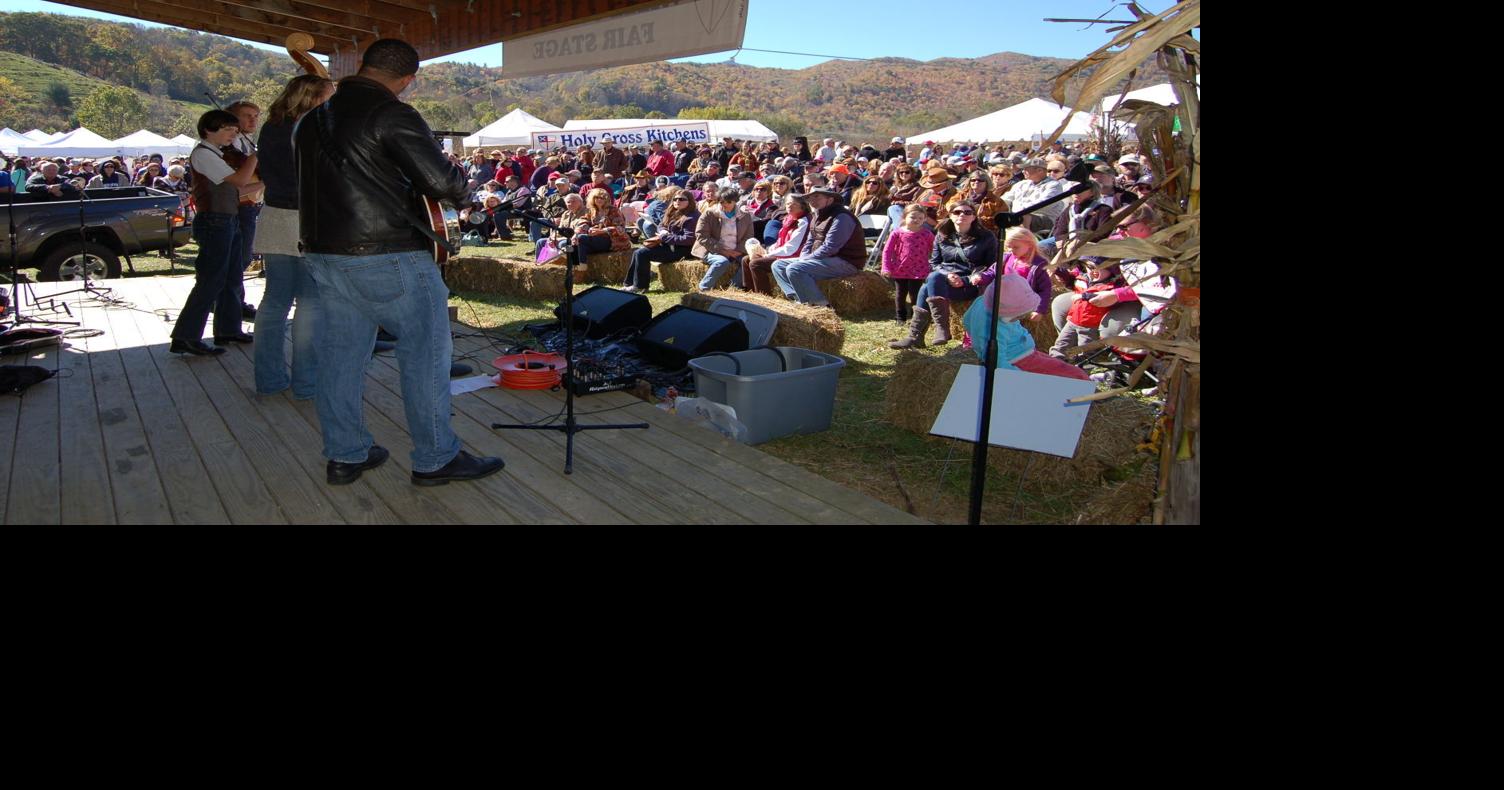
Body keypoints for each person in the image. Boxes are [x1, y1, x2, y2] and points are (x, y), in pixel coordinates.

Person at [295, 38, 504, 486]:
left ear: (365, 66)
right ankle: (436, 458)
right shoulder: (392, 113)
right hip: (386, 253)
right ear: (408, 80)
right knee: (426, 355)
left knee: (341, 358)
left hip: (323, 252)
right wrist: (465, 190)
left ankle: (345, 454)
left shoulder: (310, 121)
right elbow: (440, 180)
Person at [252, 73, 334, 401]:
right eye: (328, 96)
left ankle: (269, 379)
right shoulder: (314, 130)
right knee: (311, 302)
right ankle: (307, 382)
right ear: (313, 98)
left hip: (274, 217)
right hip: (307, 219)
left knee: (274, 300)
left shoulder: (271, 127)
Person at [169, 109, 259, 357]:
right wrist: (255, 157)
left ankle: (228, 328)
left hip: (228, 219)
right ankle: (185, 336)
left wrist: (267, 180)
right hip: (214, 222)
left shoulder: (217, 154)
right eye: (227, 130)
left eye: (234, 130)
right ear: (209, 130)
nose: (233, 135)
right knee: (210, 280)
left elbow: (239, 191)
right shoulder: (204, 154)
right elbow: (239, 181)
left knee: (231, 276)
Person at [889, 199, 997, 349]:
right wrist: (948, 275)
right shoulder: (942, 234)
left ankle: (920, 335)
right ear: (950, 216)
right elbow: (934, 263)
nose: (962, 215)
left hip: (972, 284)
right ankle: (937, 330)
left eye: (967, 212)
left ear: (974, 216)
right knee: (933, 277)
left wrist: (965, 280)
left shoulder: (987, 237)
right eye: (957, 212)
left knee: (925, 288)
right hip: (944, 282)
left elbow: (991, 266)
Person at [959, 274, 1089, 380]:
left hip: (1023, 352)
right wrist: (1021, 379)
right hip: (1019, 360)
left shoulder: (982, 302)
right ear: (1005, 312)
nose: (1019, 319)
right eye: (1016, 317)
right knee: (1076, 376)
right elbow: (997, 364)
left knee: (1059, 366)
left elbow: (966, 320)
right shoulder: (993, 329)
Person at [770, 186, 868, 306]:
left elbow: (830, 247)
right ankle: (797, 299)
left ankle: (820, 305)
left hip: (846, 261)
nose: (812, 200)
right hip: (824, 258)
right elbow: (809, 242)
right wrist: (804, 257)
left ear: (830, 199)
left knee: (795, 268)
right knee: (778, 265)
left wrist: (805, 260)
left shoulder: (842, 217)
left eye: (817, 196)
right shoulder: (817, 215)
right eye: (810, 197)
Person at [623, 190, 698, 293]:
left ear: (689, 201)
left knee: (642, 253)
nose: (677, 201)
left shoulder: (692, 217)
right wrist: (663, 230)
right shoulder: (672, 212)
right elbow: (662, 224)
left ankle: (640, 286)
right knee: (637, 252)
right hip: (670, 246)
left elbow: (688, 239)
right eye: (675, 199)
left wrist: (665, 237)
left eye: (681, 199)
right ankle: (629, 284)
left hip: (683, 251)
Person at [743, 193, 812, 297]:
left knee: (756, 264)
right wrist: (768, 250)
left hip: (793, 256)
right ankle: (750, 292)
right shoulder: (789, 219)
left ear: (802, 206)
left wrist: (768, 255)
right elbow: (781, 241)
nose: (789, 206)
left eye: (793, 204)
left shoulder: (803, 221)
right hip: (782, 252)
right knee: (746, 259)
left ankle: (764, 297)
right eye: (788, 204)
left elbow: (792, 248)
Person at [882, 204, 935, 324]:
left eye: (920, 218)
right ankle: (900, 317)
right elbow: (887, 250)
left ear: (924, 219)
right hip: (900, 269)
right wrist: (886, 266)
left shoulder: (927, 234)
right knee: (900, 294)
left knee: (915, 294)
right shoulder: (897, 233)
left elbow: (935, 249)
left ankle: (916, 316)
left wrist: (934, 264)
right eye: (913, 217)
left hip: (919, 269)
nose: (916, 220)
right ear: (905, 217)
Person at [692, 187, 753, 291]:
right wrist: (722, 250)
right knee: (721, 262)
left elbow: (749, 236)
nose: (724, 204)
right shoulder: (709, 213)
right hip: (712, 249)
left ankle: (733, 288)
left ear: (735, 202)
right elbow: (701, 235)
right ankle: (704, 288)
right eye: (721, 202)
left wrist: (738, 250)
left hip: (736, 250)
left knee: (749, 262)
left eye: (728, 202)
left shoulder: (745, 216)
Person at [1001, 157, 1065, 234]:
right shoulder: (1021, 184)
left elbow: (1044, 203)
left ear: (1039, 170)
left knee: (1023, 217)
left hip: (1044, 219)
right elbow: (1006, 199)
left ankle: (1024, 241)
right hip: (1016, 216)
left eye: (1026, 169)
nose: (1023, 171)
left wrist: (1019, 211)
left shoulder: (1054, 185)